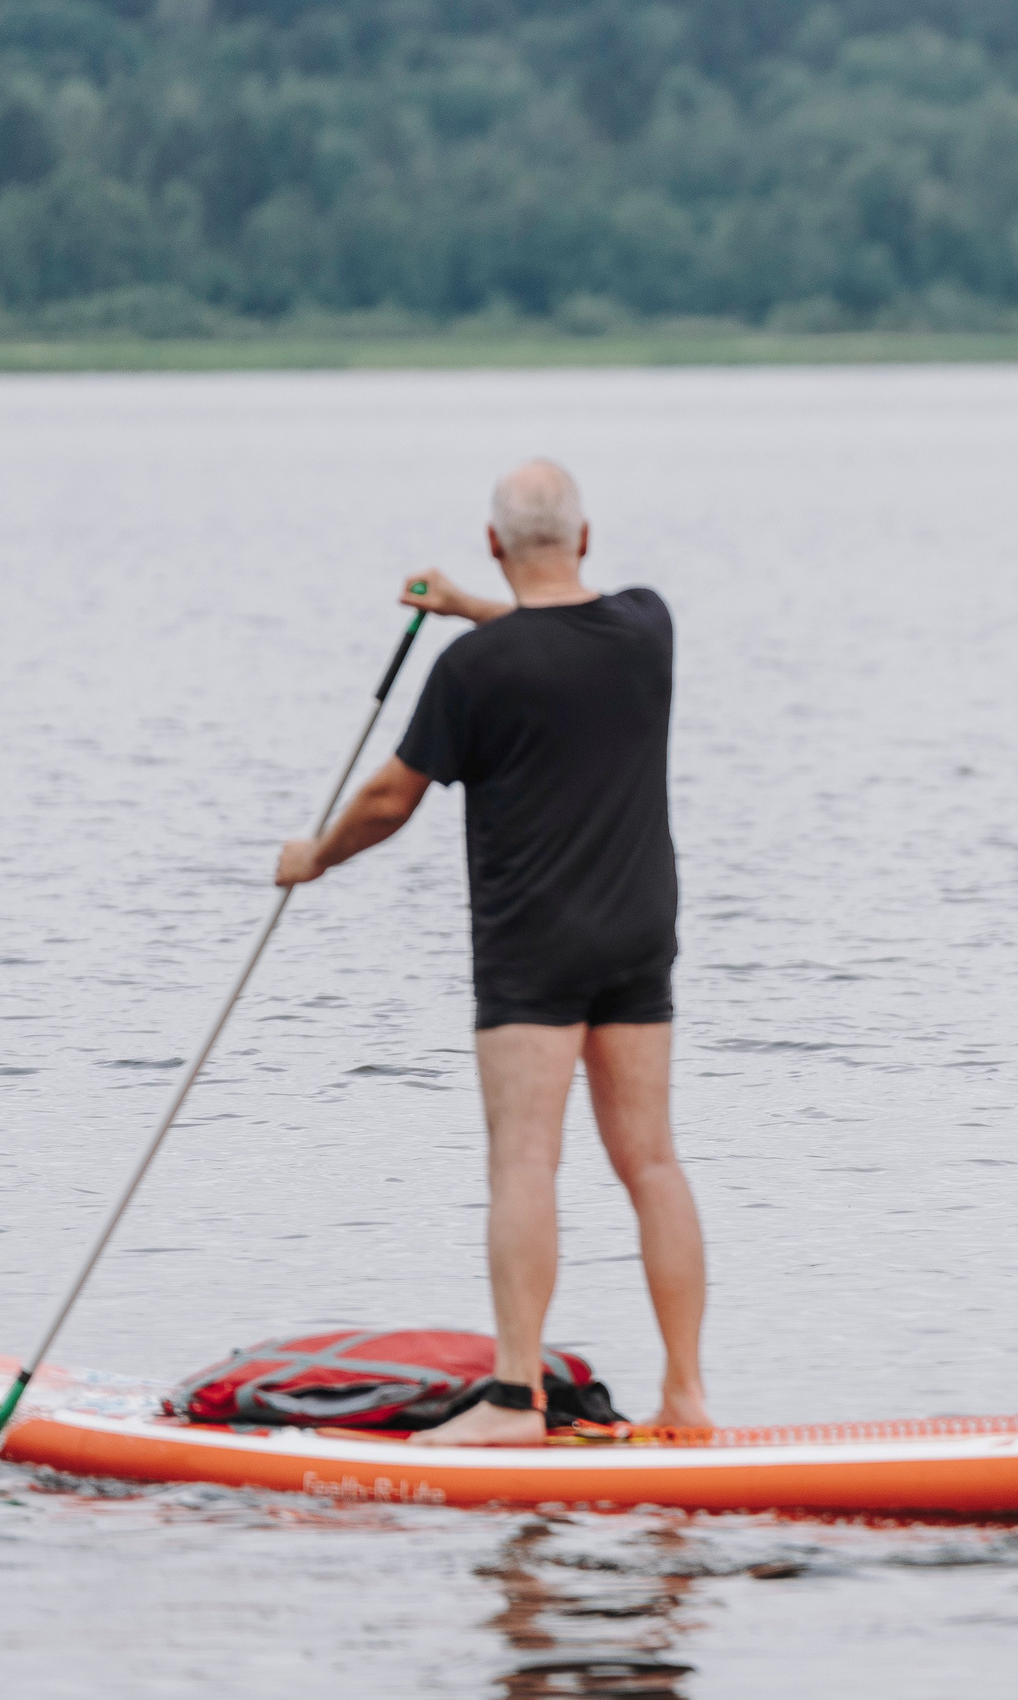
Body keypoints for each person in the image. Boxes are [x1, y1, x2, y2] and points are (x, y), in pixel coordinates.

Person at [274, 459, 710, 1444]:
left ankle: (514, 1398)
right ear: (587, 539)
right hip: (641, 934)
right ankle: (686, 1394)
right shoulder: (649, 626)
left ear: (493, 542)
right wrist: (476, 605)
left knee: (524, 1160)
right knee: (651, 1161)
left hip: (534, 946)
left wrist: (316, 858)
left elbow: (391, 798)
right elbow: (556, 633)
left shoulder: (474, 671)